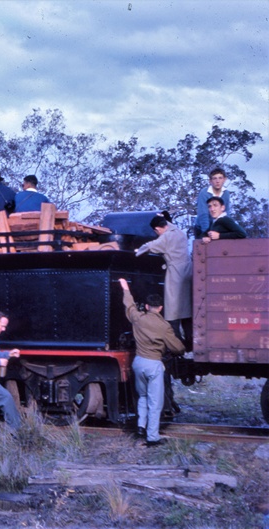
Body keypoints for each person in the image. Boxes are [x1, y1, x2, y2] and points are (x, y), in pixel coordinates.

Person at [117, 279, 185, 447]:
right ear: (160, 308)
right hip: (154, 364)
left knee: (142, 396)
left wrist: (125, 287)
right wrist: (182, 347)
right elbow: (177, 348)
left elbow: (130, 305)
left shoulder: (138, 318)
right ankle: (152, 437)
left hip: (138, 363)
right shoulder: (164, 326)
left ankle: (141, 426)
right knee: (155, 402)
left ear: (147, 306)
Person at [135, 212, 193, 350]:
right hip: (188, 271)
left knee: (172, 311)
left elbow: (151, 246)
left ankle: (178, 346)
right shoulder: (179, 231)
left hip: (175, 274)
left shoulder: (166, 236)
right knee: (187, 312)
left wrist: (137, 250)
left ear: (157, 229)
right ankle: (191, 343)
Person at [194, 168, 232, 239]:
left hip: (218, 229)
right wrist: (207, 234)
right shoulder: (204, 193)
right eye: (214, 178)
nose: (217, 181)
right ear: (210, 181)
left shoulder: (226, 193)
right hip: (202, 229)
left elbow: (226, 213)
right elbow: (203, 215)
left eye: (220, 178)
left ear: (224, 179)